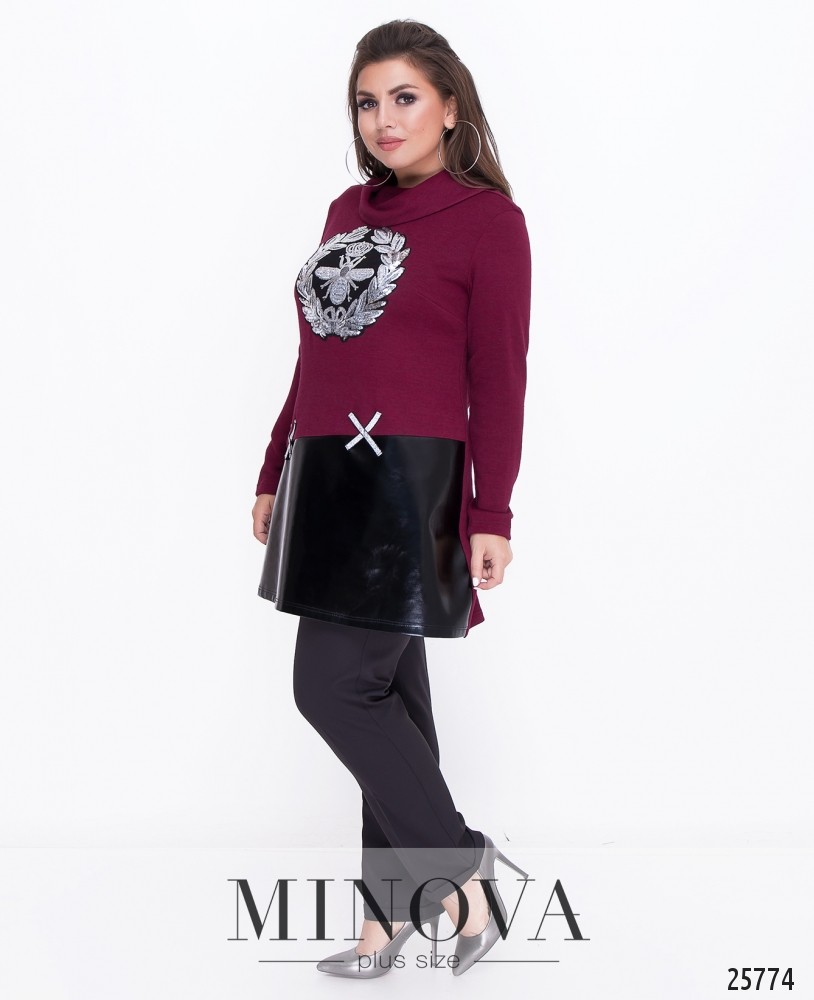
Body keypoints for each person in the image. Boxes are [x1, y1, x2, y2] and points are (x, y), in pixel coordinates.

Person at [251, 19, 532, 979]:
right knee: (391, 693)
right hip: (327, 473)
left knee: (333, 686)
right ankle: (389, 917)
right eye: (368, 102)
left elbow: (500, 377)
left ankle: (460, 867)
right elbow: (318, 351)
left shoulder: (489, 222)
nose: (383, 119)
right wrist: (276, 464)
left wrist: (492, 512)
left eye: (405, 97)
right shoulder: (347, 210)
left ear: (450, 106)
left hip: (409, 481)